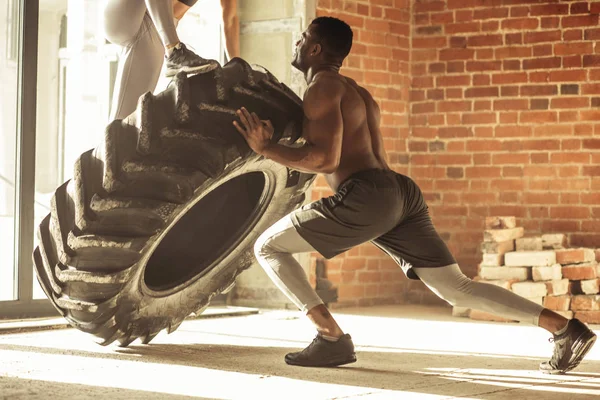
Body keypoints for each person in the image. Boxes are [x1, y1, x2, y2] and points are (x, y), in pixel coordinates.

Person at [233, 16, 597, 373]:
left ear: (314, 48)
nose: (296, 42)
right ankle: (564, 328)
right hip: (399, 191)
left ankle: (330, 337)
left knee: (268, 247)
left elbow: (325, 159)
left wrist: (267, 149)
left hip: (366, 195)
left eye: (302, 37)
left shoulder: (322, 88)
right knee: (456, 288)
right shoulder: (357, 91)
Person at [103, 0, 237, 120]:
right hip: (126, 16)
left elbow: (230, 20)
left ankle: (105, 147)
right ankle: (174, 51)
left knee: (125, 123)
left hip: (153, 36)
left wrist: (237, 65)